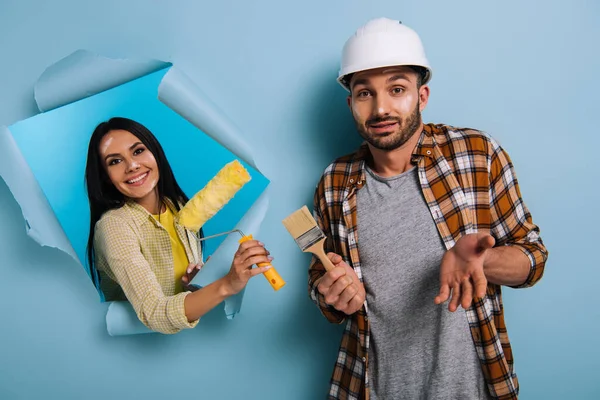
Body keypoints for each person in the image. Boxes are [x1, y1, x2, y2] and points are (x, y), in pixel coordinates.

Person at [308, 18, 548, 400]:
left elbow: (533, 260)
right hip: (370, 387)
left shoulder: (478, 154)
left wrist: (479, 262)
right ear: (351, 102)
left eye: (397, 89)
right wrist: (331, 294)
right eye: (365, 93)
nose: (381, 108)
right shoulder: (335, 181)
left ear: (422, 96)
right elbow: (322, 282)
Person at [85, 117, 273, 334]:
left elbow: (182, 294)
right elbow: (154, 313)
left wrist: (196, 284)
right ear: (106, 177)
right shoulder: (113, 227)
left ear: (155, 153)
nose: (132, 166)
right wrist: (226, 285)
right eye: (115, 161)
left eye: (138, 151)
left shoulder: (177, 207)